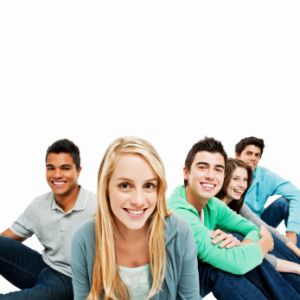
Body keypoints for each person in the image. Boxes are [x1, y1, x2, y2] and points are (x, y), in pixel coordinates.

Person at [168, 137, 300, 300]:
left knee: (239, 249)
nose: (210, 175)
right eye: (203, 167)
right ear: (186, 173)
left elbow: (255, 228)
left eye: (218, 169)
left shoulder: (213, 204)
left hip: (198, 270)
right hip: (173, 289)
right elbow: (239, 261)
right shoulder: (180, 215)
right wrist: (263, 244)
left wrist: (246, 244)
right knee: (225, 265)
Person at [71, 136, 200, 300]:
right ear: (106, 188)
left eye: (148, 186)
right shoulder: (84, 238)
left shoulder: (180, 232)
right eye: (125, 185)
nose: (138, 200)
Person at [0, 139, 97, 300]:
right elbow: (6, 238)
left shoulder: (97, 208)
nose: (57, 175)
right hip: (44, 267)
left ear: (78, 171)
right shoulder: (39, 205)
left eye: (65, 168)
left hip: (71, 281)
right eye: (51, 168)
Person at [216, 158, 300, 292]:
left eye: (245, 180)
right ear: (223, 178)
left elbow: (267, 229)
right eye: (236, 179)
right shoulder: (213, 210)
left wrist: (297, 252)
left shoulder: (239, 205)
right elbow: (247, 254)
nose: (242, 185)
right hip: (241, 262)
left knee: (266, 233)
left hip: (256, 253)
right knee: (242, 236)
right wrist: (295, 267)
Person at [235, 136, 300, 246]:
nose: (253, 158)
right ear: (237, 155)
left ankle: (295, 251)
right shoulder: (224, 171)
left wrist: (292, 232)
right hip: (234, 224)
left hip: (258, 222)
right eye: (249, 153)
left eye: (257, 155)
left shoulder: (265, 176)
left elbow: (296, 194)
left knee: (284, 203)